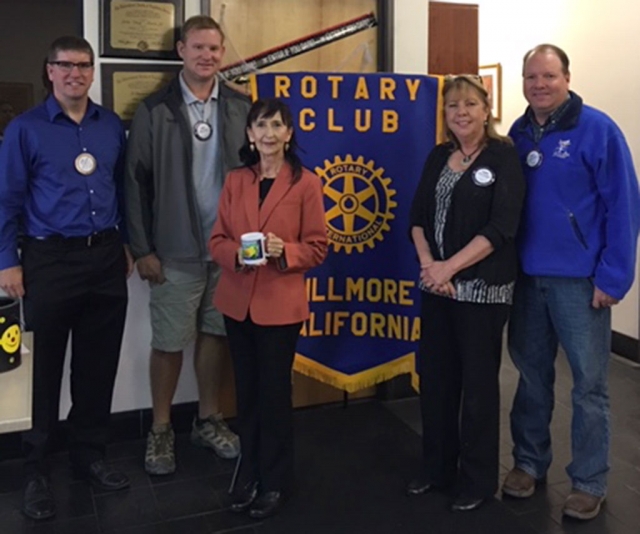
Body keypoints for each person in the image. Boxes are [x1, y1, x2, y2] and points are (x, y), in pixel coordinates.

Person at [503, 44, 640, 520]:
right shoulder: (517, 135)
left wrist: (615, 277)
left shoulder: (598, 130)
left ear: (566, 77)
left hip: (581, 283)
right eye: (531, 77)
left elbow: (623, 205)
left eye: (548, 76)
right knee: (531, 375)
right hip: (526, 278)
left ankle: (588, 480)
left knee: (590, 386)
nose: (539, 85)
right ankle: (528, 462)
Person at [0, 36, 132, 520]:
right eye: (65, 65)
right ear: (49, 71)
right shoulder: (25, 129)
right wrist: (5, 261)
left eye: (83, 65)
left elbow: (121, 189)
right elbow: (6, 199)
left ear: (92, 72)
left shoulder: (111, 125)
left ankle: (89, 456)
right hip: (48, 261)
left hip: (104, 258)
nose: (75, 73)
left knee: (97, 366)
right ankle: (35, 470)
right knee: (44, 370)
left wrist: (127, 245)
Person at [125, 15, 250, 475]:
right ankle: (161, 429)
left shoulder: (239, 106)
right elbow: (134, 182)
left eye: (214, 49)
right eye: (198, 47)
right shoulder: (155, 109)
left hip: (227, 251)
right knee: (169, 342)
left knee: (216, 335)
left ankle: (208, 419)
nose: (207, 56)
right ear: (181, 50)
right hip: (173, 250)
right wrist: (142, 250)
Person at [407, 75, 525, 512]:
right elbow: (416, 216)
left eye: (470, 104)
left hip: (482, 291)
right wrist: (429, 267)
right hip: (436, 288)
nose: (461, 112)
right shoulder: (440, 155)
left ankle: (476, 479)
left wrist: (448, 267)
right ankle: (436, 468)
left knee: (477, 388)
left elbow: (501, 228)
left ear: (486, 108)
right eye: (453, 105)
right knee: (435, 382)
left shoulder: (504, 157)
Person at [209, 98, 327, 519]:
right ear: (250, 135)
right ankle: (249, 472)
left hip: (280, 308)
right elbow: (218, 239)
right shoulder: (236, 180)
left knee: (275, 395)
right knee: (247, 392)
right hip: (237, 303)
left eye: (277, 125)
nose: (269, 134)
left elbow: (318, 247)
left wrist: (285, 252)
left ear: (289, 133)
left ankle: (276, 480)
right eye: (261, 126)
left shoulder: (306, 184)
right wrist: (237, 256)